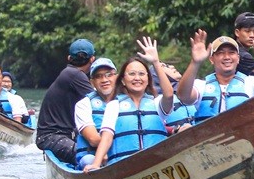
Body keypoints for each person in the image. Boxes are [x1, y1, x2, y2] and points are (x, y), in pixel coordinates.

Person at [86, 38, 176, 170]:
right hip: (125, 167)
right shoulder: (114, 105)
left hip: (157, 165)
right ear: (122, 80)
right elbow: (106, 137)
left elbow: (168, 95)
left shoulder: (156, 103)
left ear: (147, 79)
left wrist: (156, 62)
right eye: (132, 74)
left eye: (141, 74)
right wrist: (96, 164)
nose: (137, 78)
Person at [176, 27, 254, 122]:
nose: (226, 57)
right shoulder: (201, 85)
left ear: (238, 59)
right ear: (212, 59)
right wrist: (195, 62)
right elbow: (183, 96)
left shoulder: (250, 83)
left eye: (231, 53)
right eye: (221, 53)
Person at [35, 38, 96, 163]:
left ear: (69, 58)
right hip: (51, 137)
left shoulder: (69, 73)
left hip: (57, 135)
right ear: (92, 59)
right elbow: (98, 100)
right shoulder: (75, 75)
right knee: (92, 157)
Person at [74, 58, 118, 168]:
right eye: (98, 76)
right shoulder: (83, 104)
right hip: (92, 156)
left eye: (109, 74)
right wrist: (105, 152)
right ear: (92, 82)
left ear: (116, 77)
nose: (104, 80)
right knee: (89, 160)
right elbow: (93, 139)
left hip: (121, 153)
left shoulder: (126, 101)